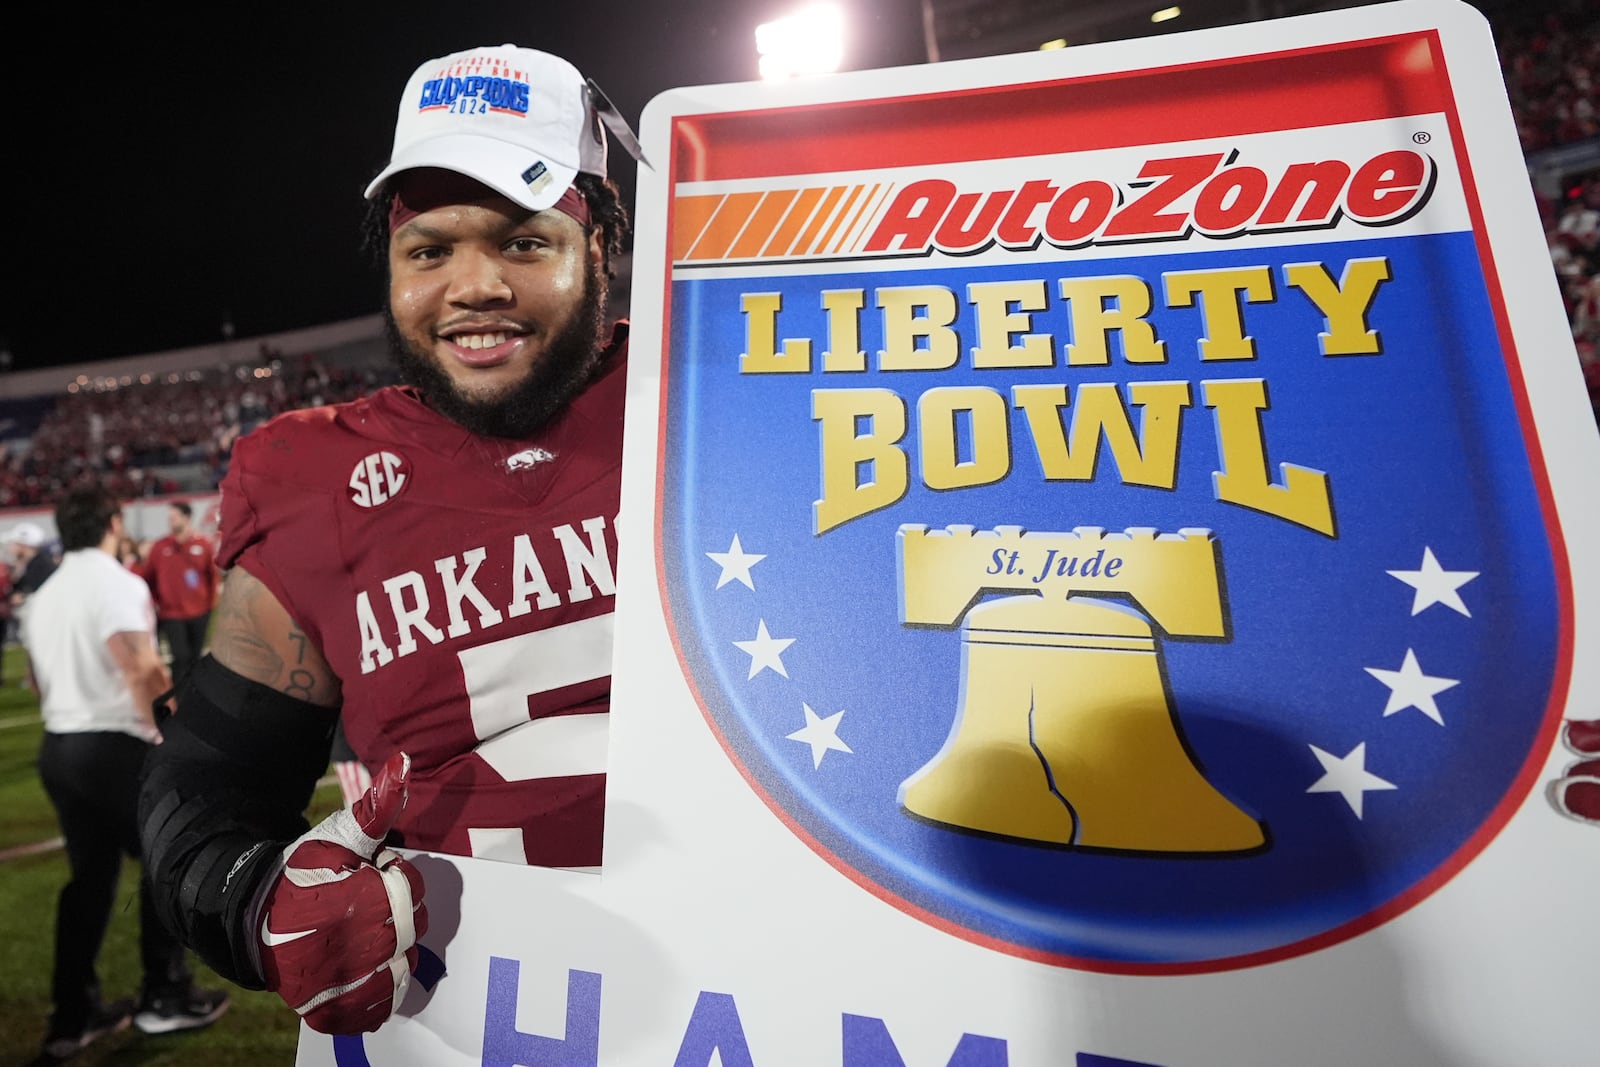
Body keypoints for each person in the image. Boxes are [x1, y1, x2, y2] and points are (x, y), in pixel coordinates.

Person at [139, 43, 636, 1035]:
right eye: (430, 248)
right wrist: (253, 898)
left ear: (600, 247)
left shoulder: (736, 393)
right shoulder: (307, 475)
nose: (473, 284)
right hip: (477, 1022)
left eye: (523, 241)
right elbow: (206, 783)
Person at [21, 486, 228, 1064]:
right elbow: (139, 666)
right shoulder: (116, 582)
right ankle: (163, 993)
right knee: (165, 866)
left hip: (59, 746)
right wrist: (171, 733)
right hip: (114, 745)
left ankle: (74, 1013)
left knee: (89, 880)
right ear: (113, 522)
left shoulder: (45, 592)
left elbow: (38, 683)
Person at [135, 501, 219, 690]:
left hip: (199, 612)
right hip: (171, 614)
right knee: (180, 656)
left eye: (174, 517)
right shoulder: (160, 547)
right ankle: (178, 697)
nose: (171, 522)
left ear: (187, 518)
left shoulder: (203, 545)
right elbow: (148, 578)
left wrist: (210, 605)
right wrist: (157, 602)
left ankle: (193, 695)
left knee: (195, 657)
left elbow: (212, 576)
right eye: (169, 518)